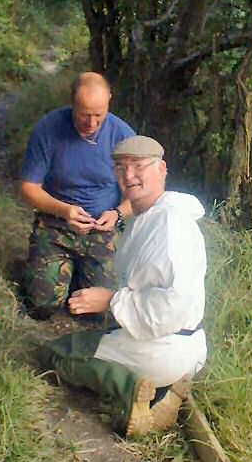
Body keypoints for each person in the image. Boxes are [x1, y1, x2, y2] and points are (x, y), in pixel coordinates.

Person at [37, 135, 207, 436]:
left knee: (55, 354)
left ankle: (133, 392)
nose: (128, 176)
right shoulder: (152, 215)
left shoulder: (169, 224)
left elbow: (172, 305)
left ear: (161, 169)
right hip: (182, 347)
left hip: (163, 347)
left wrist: (110, 301)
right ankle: (164, 391)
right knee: (95, 338)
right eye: (121, 168)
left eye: (138, 166)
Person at [20, 72, 135, 318]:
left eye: (98, 115)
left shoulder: (123, 135)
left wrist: (117, 214)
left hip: (103, 229)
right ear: (72, 103)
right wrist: (64, 211)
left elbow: (139, 194)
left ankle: (76, 274)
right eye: (84, 115)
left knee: (105, 310)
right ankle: (52, 271)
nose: (92, 124)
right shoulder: (47, 130)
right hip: (56, 224)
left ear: (109, 103)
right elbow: (29, 188)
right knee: (41, 306)